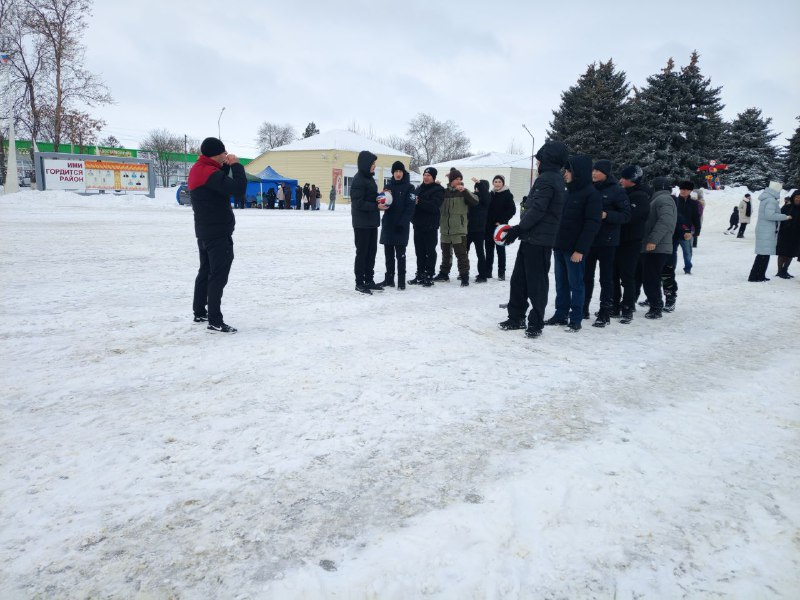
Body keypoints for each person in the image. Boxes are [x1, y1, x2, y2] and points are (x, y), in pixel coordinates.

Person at [499, 140, 568, 339]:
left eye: (538, 160)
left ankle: (535, 322)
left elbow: (538, 209)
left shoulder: (547, 179)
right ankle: (516, 317)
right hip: (533, 237)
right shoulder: (554, 178)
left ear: (547, 159)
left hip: (538, 239)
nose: (536, 163)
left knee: (536, 283)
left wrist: (518, 229)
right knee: (519, 280)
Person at [188, 136, 246, 333]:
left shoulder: (199, 169)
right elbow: (238, 190)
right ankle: (215, 320)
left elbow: (218, 184)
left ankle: (199, 311)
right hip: (218, 232)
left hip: (204, 231)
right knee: (218, 275)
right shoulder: (209, 172)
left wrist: (225, 165)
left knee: (205, 271)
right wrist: (236, 166)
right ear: (215, 154)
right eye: (223, 152)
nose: (226, 155)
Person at [544, 155, 601, 332]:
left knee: (576, 284)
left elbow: (592, 225)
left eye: (569, 171)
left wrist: (580, 250)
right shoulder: (567, 192)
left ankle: (576, 318)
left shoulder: (592, 195)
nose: (565, 174)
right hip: (559, 246)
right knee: (561, 283)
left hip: (575, 250)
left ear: (579, 172)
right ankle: (560, 314)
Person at [582, 159, 631, 328]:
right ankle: (583, 308)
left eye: (598, 171)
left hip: (607, 241)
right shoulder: (588, 188)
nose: (594, 173)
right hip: (588, 240)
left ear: (606, 173)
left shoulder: (617, 190)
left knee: (606, 278)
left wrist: (607, 215)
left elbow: (626, 215)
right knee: (586, 276)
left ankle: (605, 312)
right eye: (593, 170)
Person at [614, 165, 651, 324]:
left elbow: (631, 217)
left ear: (633, 180)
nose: (620, 180)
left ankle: (627, 308)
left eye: (624, 178)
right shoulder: (622, 193)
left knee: (627, 276)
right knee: (613, 275)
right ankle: (614, 306)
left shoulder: (640, 196)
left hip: (631, 241)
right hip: (617, 240)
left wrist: (616, 215)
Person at [639, 177, 677, 320]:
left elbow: (665, 221)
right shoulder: (659, 199)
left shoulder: (663, 199)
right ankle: (654, 304)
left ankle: (656, 307)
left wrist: (653, 240)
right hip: (656, 246)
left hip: (657, 247)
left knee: (651, 278)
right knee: (650, 277)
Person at [434, 168, 479, 286]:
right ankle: (444, 274)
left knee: (461, 255)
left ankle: (464, 276)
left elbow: (475, 201)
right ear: (451, 180)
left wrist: (465, 191)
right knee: (446, 254)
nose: (458, 181)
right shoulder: (443, 192)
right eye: (456, 179)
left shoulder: (464, 192)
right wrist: (436, 186)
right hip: (445, 229)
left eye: (460, 179)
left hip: (459, 230)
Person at [351, 150, 384, 294]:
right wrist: (376, 206)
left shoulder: (369, 178)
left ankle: (369, 280)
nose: (374, 166)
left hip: (371, 222)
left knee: (371, 252)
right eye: (373, 163)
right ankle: (359, 283)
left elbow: (371, 196)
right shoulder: (358, 180)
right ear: (366, 164)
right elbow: (358, 203)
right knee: (362, 253)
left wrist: (381, 197)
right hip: (361, 223)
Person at [379, 161, 416, 290]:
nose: (398, 174)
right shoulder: (388, 186)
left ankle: (401, 282)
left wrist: (403, 222)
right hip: (388, 225)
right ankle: (389, 279)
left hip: (401, 226)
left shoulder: (410, 188)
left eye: (400, 171)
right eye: (396, 171)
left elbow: (410, 208)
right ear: (393, 173)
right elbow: (383, 203)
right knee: (388, 255)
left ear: (403, 173)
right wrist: (382, 200)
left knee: (401, 255)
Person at [408, 167, 444, 287]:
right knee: (419, 252)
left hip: (430, 226)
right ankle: (420, 274)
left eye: (428, 175)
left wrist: (419, 202)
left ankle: (429, 275)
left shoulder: (438, 190)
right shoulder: (419, 188)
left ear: (433, 177)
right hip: (418, 225)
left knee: (430, 251)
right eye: (424, 175)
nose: (426, 177)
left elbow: (434, 206)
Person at [748, 181, 791, 282]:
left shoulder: (767, 199)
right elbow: (770, 215)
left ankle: (759, 275)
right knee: (763, 255)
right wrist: (785, 217)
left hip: (765, 229)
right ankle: (755, 276)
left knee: (763, 255)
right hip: (767, 231)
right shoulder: (771, 200)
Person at [484, 175, 516, 280]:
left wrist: (501, 221)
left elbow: (512, 210)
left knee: (500, 250)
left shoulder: (508, 195)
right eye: (495, 181)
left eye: (499, 182)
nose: (497, 183)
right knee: (489, 250)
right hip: (489, 226)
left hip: (501, 228)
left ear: (503, 183)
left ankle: (501, 273)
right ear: (493, 183)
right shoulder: (490, 194)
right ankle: (488, 272)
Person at [671, 181, 702, 275]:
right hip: (674, 231)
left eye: (686, 189)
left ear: (690, 191)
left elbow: (696, 217)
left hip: (686, 232)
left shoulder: (694, 203)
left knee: (687, 252)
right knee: (672, 252)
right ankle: (671, 268)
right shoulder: (674, 201)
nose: (683, 191)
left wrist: (697, 230)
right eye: (682, 189)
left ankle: (688, 268)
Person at [468, 177, 491, 282]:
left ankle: (482, 275)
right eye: (476, 187)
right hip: (468, 229)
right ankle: (464, 272)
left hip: (479, 230)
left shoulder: (486, 198)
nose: (477, 189)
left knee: (480, 253)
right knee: (464, 252)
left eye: (480, 187)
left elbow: (486, 196)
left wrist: (480, 184)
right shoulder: (472, 197)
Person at [776, 190, 800, 278]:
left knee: (791, 254)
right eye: (796, 197)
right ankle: (779, 272)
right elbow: (779, 217)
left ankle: (785, 270)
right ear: (793, 198)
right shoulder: (786, 207)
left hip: (796, 235)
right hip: (785, 233)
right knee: (782, 253)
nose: (798, 199)